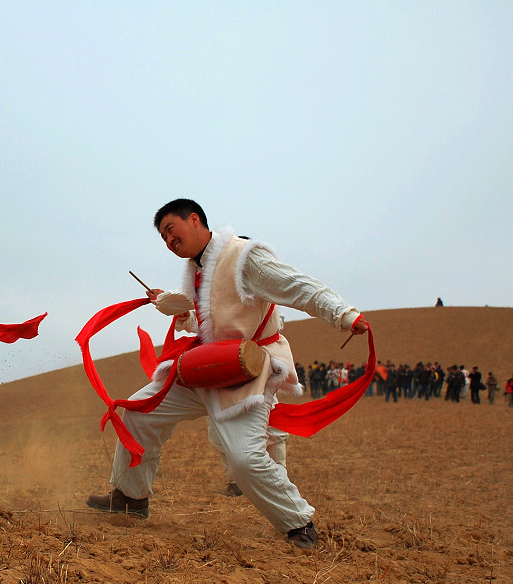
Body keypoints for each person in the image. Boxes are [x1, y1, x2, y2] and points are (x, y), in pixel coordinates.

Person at [85, 199, 368, 550]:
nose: (168, 240)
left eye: (171, 230)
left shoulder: (243, 257)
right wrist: (178, 310)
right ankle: (130, 497)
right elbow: (210, 322)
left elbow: (297, 285)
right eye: (162, 237)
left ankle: (297, 522)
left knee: (244, 459)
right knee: (140, 411)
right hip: (204, 368)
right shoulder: (196, 271)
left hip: (245, 371)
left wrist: (343, 313)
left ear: (195, 219)